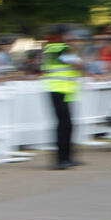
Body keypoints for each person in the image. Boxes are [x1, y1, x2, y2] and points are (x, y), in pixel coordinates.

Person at [41, 25, 83, 170]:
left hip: (60, 90)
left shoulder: (51, 48)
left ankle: (67, 157)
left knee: (66, 125)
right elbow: (78, 64)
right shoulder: (61, 48)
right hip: (60, 90)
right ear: (62, 35)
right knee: (64, 125)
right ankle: (62, 159)